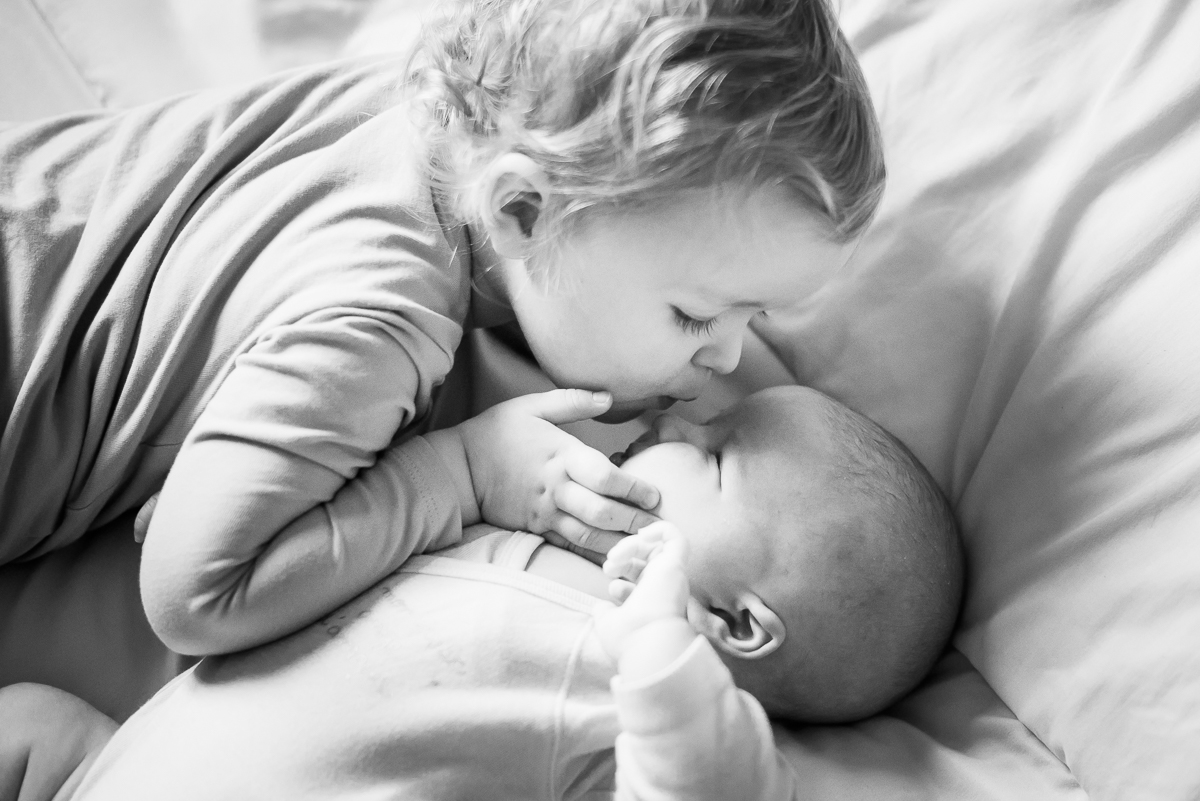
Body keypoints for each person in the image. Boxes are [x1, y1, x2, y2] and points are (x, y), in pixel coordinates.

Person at [0, 0, 885, 670]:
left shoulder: (432, 109)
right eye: (696, 313)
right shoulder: (385, 314)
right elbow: (196, 593)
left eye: (755, 318)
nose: (729, 359)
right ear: (523, 209)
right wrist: (464, 472)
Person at [52, 385, 962, 801]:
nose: (682, 412)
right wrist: (240, 502)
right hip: (103, 771)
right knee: (34, 721)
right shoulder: (515, 520)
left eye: (717, 452)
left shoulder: (637, 697)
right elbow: (369, 525)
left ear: (738, 620)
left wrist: (663, 660)